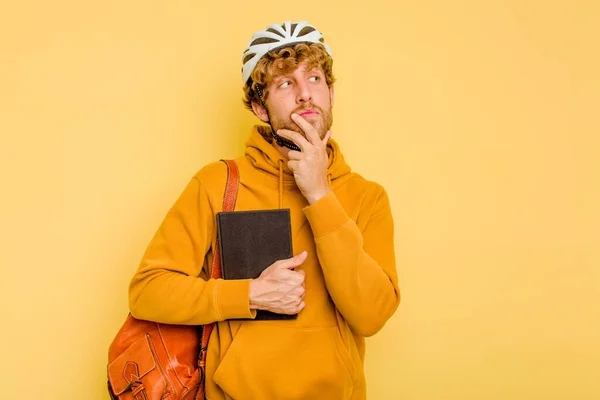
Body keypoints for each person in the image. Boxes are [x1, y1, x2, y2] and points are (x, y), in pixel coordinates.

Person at [128, 20, 400, 400]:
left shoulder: (367, 197)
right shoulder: (217, 183)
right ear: (259, 106)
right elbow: (148, 292)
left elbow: (372, 315)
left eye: (315, 78)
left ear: (332, 93)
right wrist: (250, 294)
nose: (305, 95)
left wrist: (320, 194)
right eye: (286, 83)